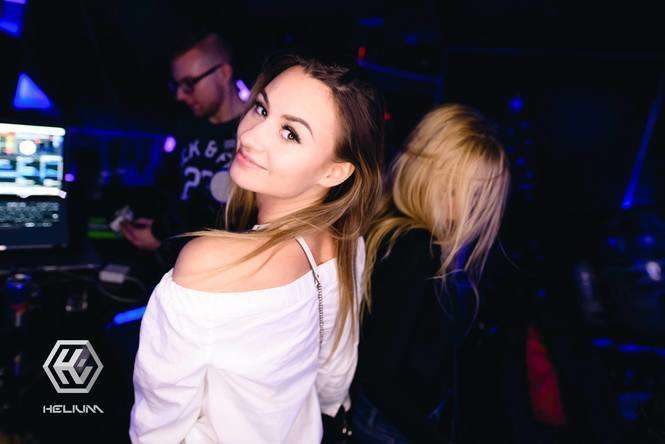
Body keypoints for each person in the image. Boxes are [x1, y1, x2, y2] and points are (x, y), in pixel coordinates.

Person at [129, 52, 385, 443]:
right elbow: (334, 380)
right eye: (262, 109)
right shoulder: (350, 243)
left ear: (335, 171)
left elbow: (155, 431)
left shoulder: (211, 263)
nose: (250, 136)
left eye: (290, 133)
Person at [352, 104, 511, 443]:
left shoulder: (397, 228)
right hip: (387, 426)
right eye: (458, 187)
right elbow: (378, 373)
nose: (468, 205)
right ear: (431, 174)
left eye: (478, 194)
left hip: (391, 419)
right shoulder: (416, 247)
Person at [121, 31, 246, 255]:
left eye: (189, 84)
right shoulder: (184, 129)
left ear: (224, 73)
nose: (180, 95)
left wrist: (162, 236)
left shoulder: (252, 135)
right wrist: (152, 224)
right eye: (176, 85)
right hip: (173, 263)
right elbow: (169, 194)